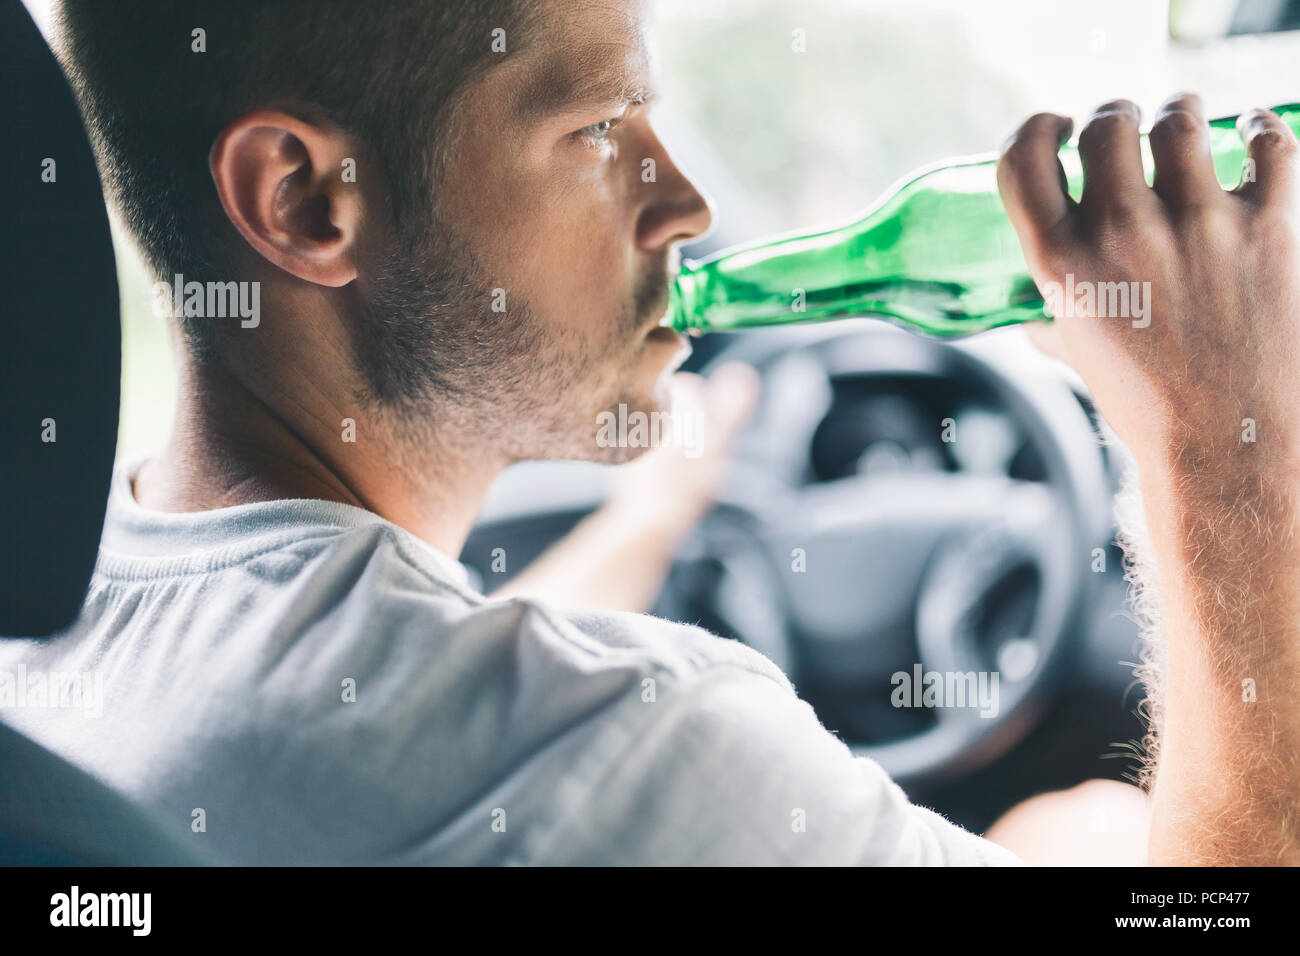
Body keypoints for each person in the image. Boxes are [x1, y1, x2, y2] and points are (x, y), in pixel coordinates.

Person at [1, 0, 1292, 864]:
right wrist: (1223, 436)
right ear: (305, 200)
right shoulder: (629, 741)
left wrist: (655, 514)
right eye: (600, 129)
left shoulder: (76, 634)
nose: (682, 202)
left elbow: (417, 694)